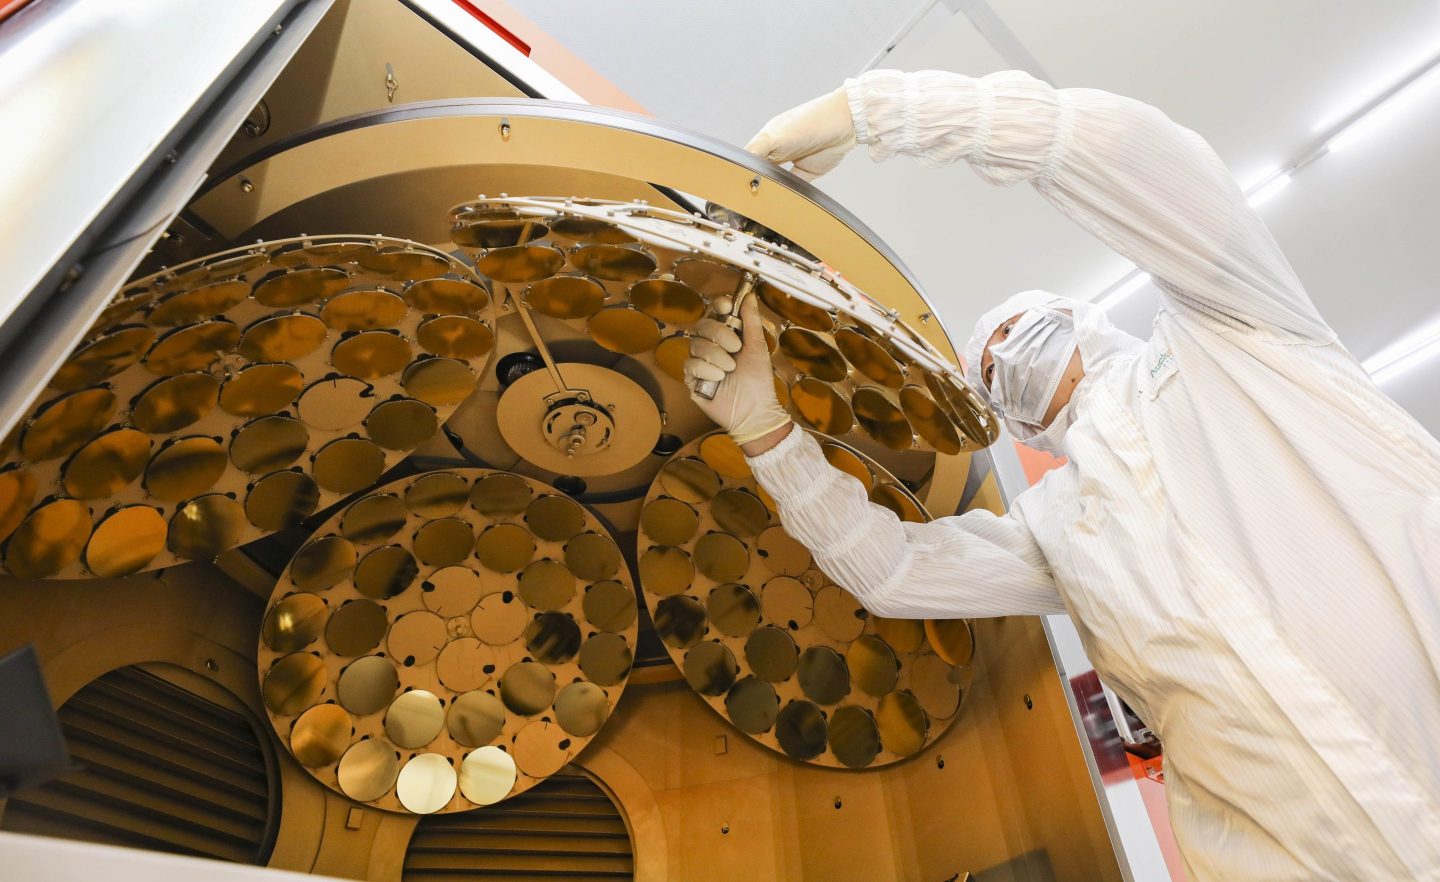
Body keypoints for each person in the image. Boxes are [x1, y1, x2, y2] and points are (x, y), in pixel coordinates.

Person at [683, 69, 1440, 881]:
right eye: (985, 366)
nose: (1001, 350)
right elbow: (895, 572)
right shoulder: (1057, 529)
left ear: (1087, 318)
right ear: (1011, 424)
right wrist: (766, 432)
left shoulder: (1239, 340)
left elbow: (1141, 157)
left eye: (1017, 326)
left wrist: (878, 111)